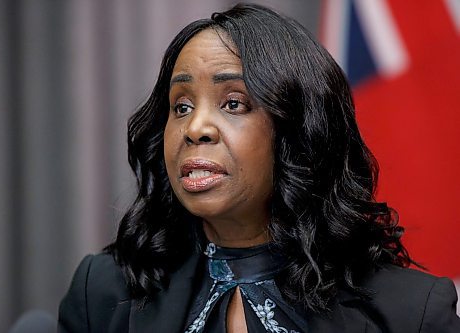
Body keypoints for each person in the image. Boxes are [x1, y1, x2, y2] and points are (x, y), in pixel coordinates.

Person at [58, 4, 460, 332]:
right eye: (181, 106)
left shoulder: (414, 313)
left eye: (233, 103)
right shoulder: (103, 293)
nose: (195, 128)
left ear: (296, 131)